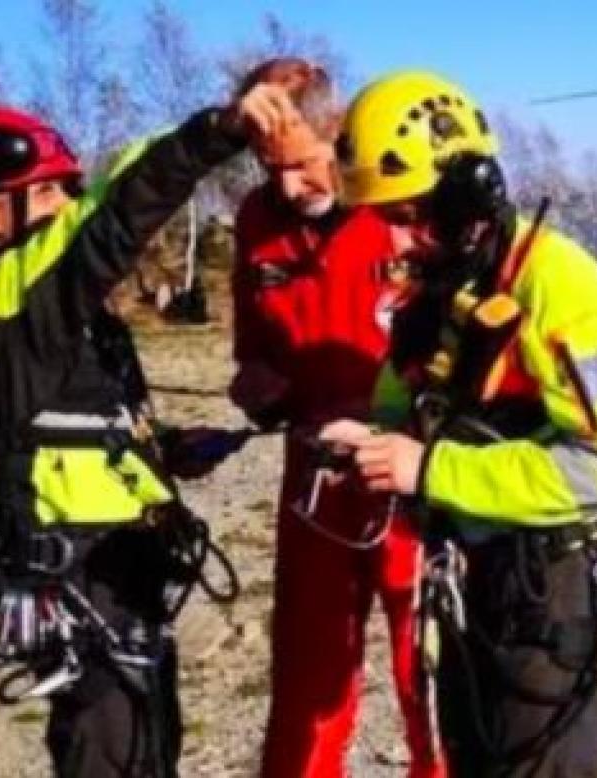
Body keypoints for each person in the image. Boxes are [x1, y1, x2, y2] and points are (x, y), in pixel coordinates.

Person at [0, 86, 294, 777]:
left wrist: (163, 448)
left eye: (68, 192)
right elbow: (110, 219)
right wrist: (217, 130)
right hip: (76, 579)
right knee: (112, 753)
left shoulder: (44, 317)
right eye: (48, 196)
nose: (66, 207)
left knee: (150, 742)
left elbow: (59, 424)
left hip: (120, 570)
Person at [321, 71, 597, 776]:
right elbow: (403, 395)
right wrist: (371, 436)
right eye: (386, 217)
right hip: (471, 579)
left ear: (467, 195)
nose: (396, 238)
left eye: (409, 215)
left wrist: (432, 468)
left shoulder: (560, 287)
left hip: (545, 588)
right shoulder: (446, 285)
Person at [228, 59, 444, 778]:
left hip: (414, 471)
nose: (292, 187)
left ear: (340, 136)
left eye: (307, 164)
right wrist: (256, 386)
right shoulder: (256, 219)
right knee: (307, 673)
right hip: (315, 478)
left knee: (431, 669)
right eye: (270, 168)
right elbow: (250, 349)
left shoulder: (404, 208)